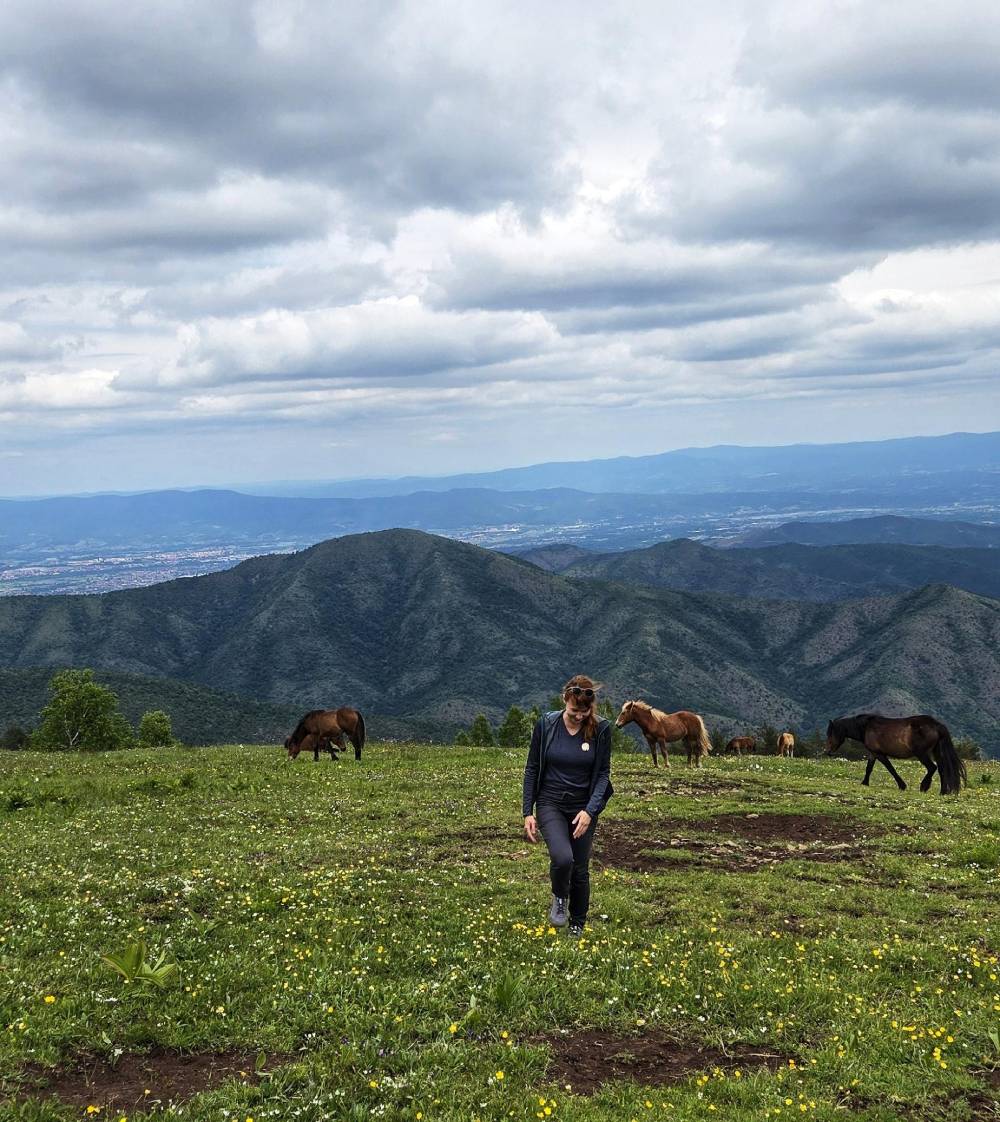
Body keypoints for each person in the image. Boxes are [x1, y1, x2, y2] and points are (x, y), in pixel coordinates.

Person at [522, 674, 614, 938]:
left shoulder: (601, 730)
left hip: (583, 806)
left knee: (580, 867)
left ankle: (577, 922)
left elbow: (602, 774)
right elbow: (532, 768)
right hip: (550, 802)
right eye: (574, 711)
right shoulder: (547, 724)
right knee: (563, 859)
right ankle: (560, 897)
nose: (578, 717)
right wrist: (528, 811)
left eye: (584, 712)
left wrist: (589, 811)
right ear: (564, 700)